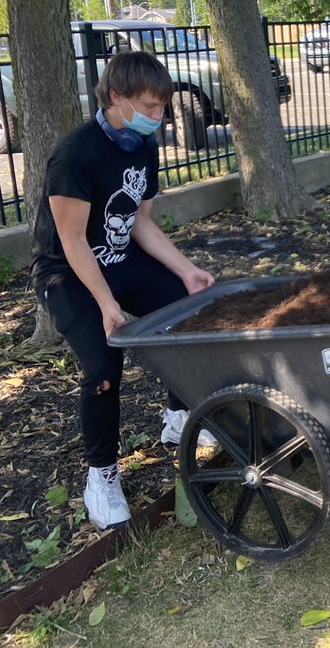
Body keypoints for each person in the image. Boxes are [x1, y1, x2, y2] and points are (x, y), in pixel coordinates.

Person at [31, 51, 216, 530]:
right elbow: (71, 241)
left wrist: (188, 271)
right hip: (68, 274)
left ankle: (179, 416)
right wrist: (107, 304)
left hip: (119, 260)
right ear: (116, 97)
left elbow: (141, 223)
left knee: (188, 312)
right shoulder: (76, 153)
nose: (159, 118)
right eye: (150, 107)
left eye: (162, 108)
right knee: (103, 364)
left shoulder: (141, 143)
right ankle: (102, 475)